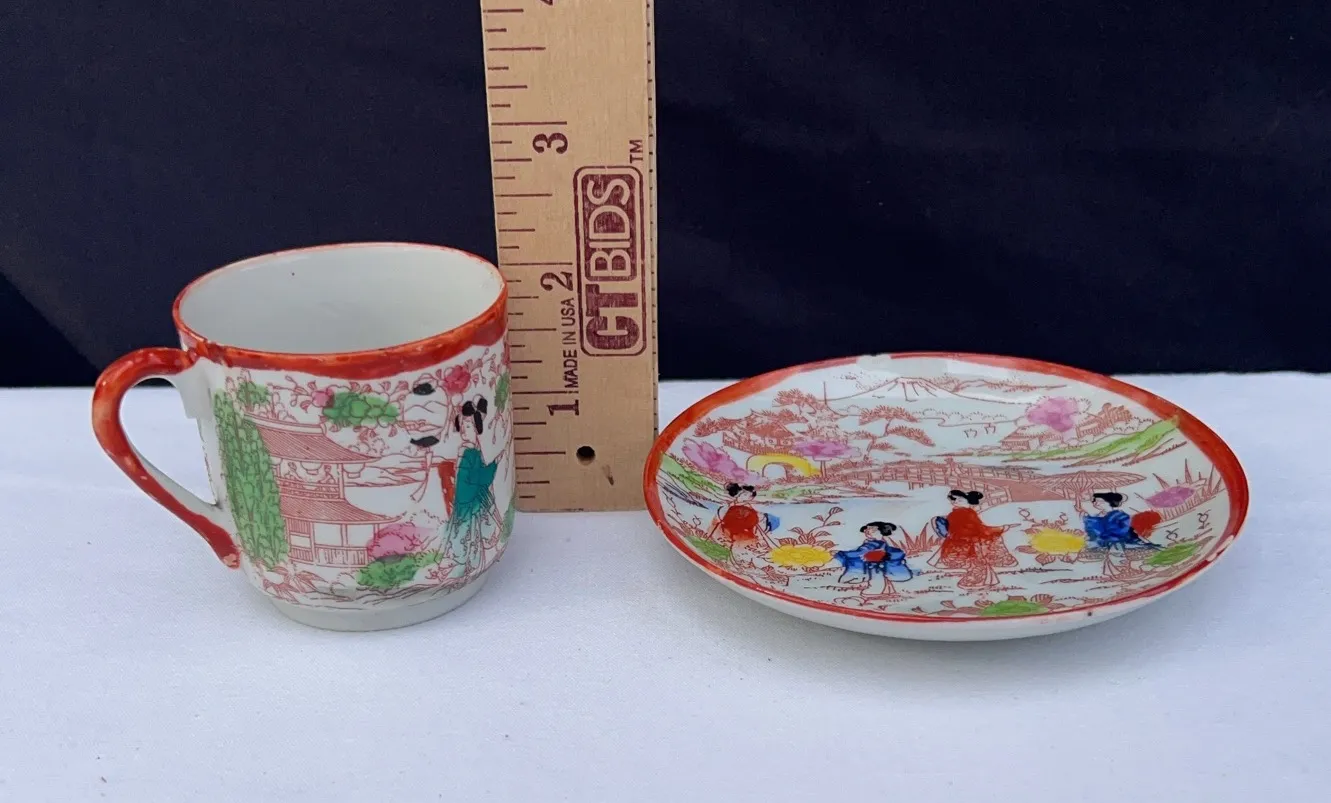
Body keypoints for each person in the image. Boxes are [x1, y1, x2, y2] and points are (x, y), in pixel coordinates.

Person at [445, 396, 502, 577]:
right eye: (462, 426)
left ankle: (468, 566)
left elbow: (478, 476)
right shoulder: (467, 452)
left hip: (470, 498)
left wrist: (491, 465)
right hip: (467, 499)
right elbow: (473, 479)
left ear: (476, 428)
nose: (464, 430)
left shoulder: (472, 451)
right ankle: (465, 566)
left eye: (468, 426)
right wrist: (493, 465)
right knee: (468, 536)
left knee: (471, 536)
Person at [928, 489, 1019, 590]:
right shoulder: (962, 514)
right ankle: (992, 565)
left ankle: (998, 560)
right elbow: (980, 530)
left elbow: (977, 529)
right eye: (954, 500)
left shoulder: (962, 513)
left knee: (990, 538)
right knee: (990, 539)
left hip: (957, 547)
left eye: (959, 500)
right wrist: (1002, 528)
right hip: (961, 549)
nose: (955, 502)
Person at [835, 521, 913, 595]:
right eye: (867, 529)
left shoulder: (874, 543)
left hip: (875, 563)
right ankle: (887, 589)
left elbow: (860, 553)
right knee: (879, 573)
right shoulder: (874, 543)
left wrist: (842, 553)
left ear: (882, 532)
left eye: (873, 530)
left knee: (876, 574)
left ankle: (876, 590)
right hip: (878, 562)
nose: (868, 531)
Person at [1077, 492, 1161, 551]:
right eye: (1095, 502)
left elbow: (1123, 531)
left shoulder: (1120, 515)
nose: (1097, 504)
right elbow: (1091, 533)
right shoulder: (1094, 518)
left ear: (1110, 502)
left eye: (1100, 502)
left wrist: (1106, 536)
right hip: (1102, 542)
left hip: (1122, 541)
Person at [708, 483, 773, 550]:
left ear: (750, 498)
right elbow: (716, 522)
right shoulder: (727, 507)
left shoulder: (751, 511)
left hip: (742, 538)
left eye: (745, 494)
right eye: (741, 493)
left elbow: (757, 528)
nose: (740, 495)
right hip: (723, 534)